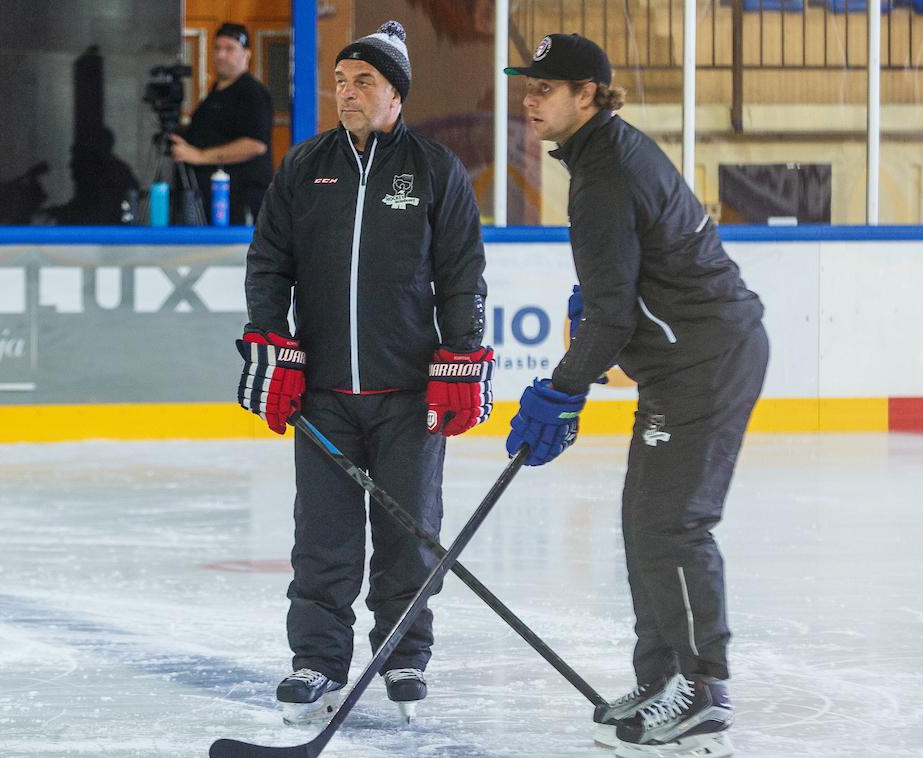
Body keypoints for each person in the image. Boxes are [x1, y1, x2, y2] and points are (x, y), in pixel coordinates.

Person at [503, 34, 768, 758]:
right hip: (681, 361)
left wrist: (559, 392)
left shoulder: (606, 171)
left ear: (588, 93)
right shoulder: (600, 157)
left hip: (706, 359)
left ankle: (704, 691)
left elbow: (614, 317)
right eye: (527, 85)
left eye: (546, 88)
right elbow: (616, 291)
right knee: (644, 522)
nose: (530, 99)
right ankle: (662, 680)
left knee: (674, 526)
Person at [235, 20, 493, 725]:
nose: (347, 94)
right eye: (342, 82)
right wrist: (271, 339)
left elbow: (462, 273)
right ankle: (317, 661)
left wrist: (461, 354)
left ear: (395, 96)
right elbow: (269, 262)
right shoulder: (303, 166)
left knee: (409, 534)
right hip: (323, 396)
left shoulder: (435, 170)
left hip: (408, 395)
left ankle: (404, 655)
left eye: (364, 83)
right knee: (323, 538)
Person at [170, 22, 273, 224]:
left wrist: (199, 156)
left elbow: (255, 145)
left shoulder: (252, 93)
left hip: (238, 203)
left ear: (246, 54)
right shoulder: (215, 93)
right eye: (217, 48)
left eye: (229, 49)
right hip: (208, 202)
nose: (221, 55)